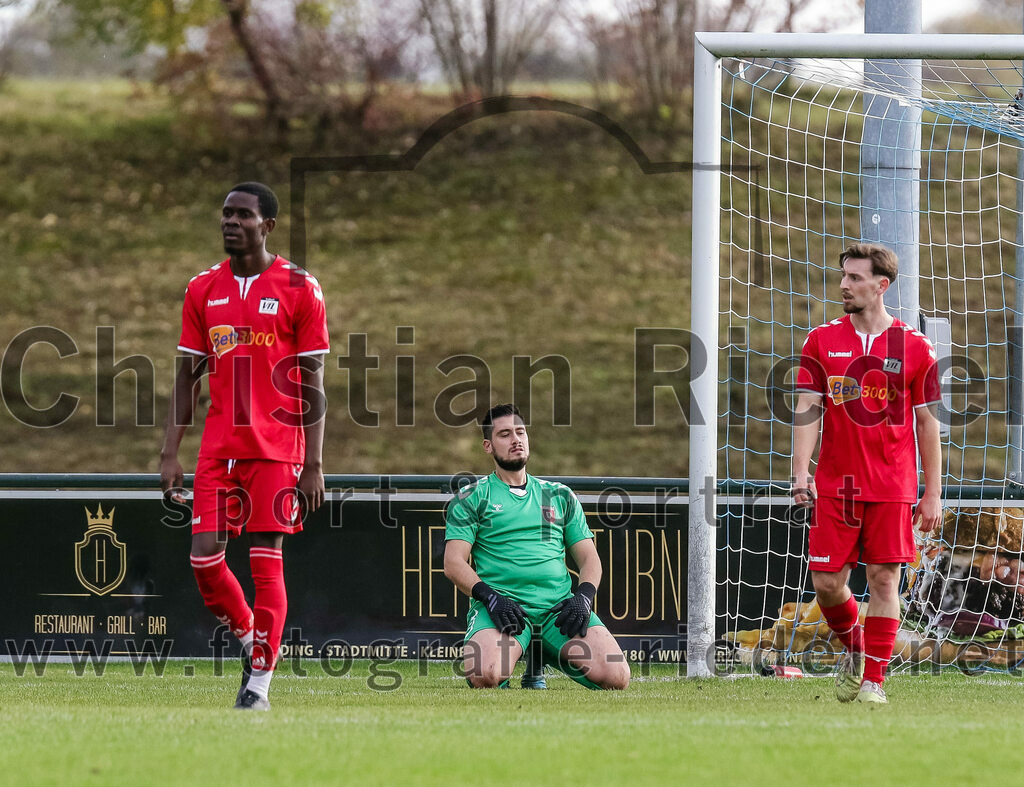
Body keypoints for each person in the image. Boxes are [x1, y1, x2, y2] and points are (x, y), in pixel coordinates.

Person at [159, 182, 329, 710]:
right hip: (218, 448)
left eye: (243, 215)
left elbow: (312, 381)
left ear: (268, 226)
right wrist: (170, 452)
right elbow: (188, 375)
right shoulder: (202, 288)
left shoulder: (300, 287)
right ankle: (256, 640)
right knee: (205, 561)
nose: (231, 222)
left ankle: (258, 685)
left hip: (278, 449)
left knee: (264, 562)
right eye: (226, 213)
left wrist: (314, 464)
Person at [792, 242, 942, 705]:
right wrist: (802, 473)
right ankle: (857, 649)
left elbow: (928, 423)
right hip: (836, 485)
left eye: (855, 278)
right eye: (843, 276)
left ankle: (874, 682)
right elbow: (807, 409)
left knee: (883, 581)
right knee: (827, 584)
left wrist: (932, 492)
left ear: (882, 286)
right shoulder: (820, 340)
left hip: (892, 486)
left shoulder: (916, 347)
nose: (844, 285)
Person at [443, 404, 630, 691]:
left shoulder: (559, 495)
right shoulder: (472, 497)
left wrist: (583, 597)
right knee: (486, 675)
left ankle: (543, 651)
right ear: (488, 446)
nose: (516, 439)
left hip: (559, 611)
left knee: (617, 678)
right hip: (504, 611)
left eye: (520, 432)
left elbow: (590, 558)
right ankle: (518, 651)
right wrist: (491, 599)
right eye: (504, 434)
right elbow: (454, 563)